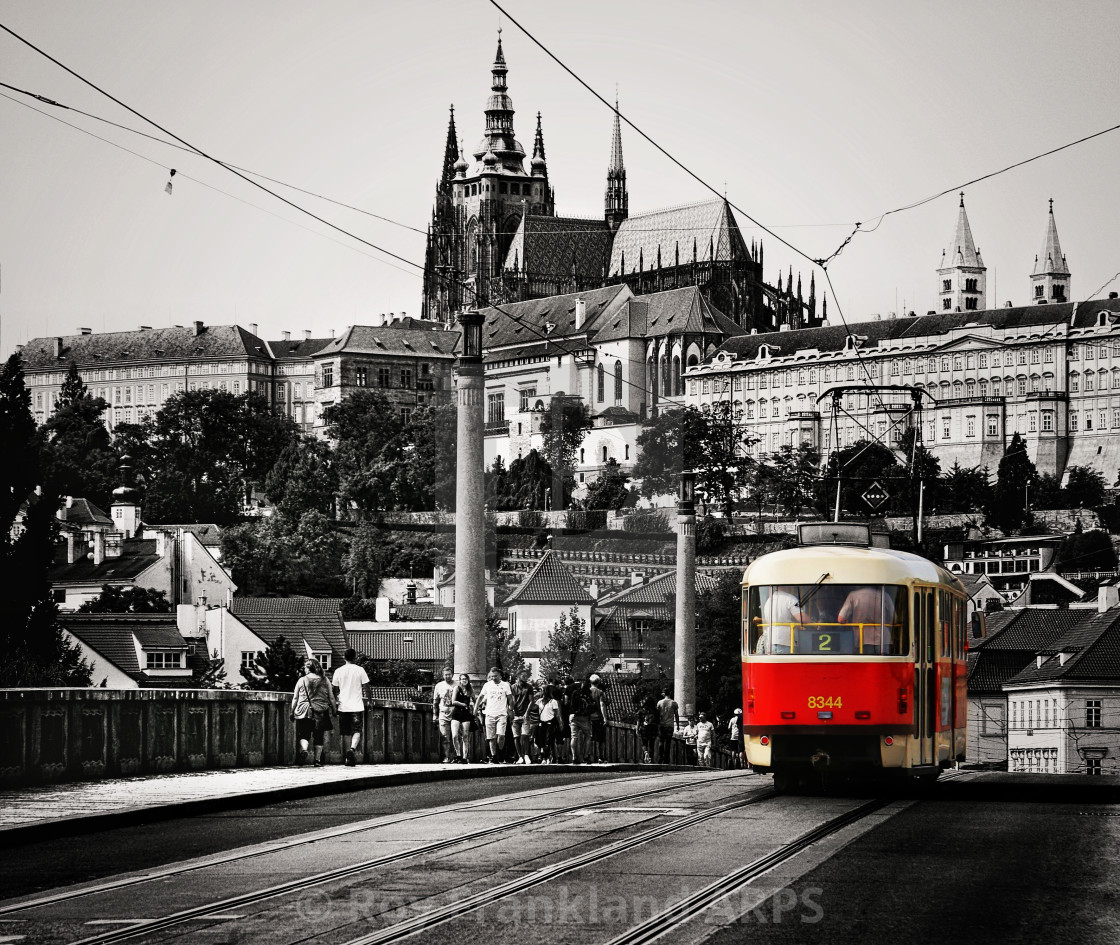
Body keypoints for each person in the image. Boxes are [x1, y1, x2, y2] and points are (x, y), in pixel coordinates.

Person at [292, 658, 337, 766]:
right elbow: (331, 697)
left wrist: (292, 711)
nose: (304, 670)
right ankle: (317, 760)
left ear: (309, 668)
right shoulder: (325, 680)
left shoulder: (302, 680)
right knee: (318, 737)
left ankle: (304, 750)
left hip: (304, 711)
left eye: (305, 668)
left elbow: (295, 698)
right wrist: (334, 710)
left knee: (304, 734)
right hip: (321, 711)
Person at [332, 648, 370, 766]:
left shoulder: (338, 671)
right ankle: (352, 750)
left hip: (343, 706)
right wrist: (369, 701)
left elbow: (334, 689)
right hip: (357, 706)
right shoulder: (360, 670)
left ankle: (347, 757)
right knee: (357, 730)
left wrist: (334, 702)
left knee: (345, 732)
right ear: (355, 657)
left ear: (344, 657)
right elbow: (366, 687)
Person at [838, 585, 896, 653]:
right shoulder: (884, 595)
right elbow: (894, 619)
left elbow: (840, 619)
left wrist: (847, 622)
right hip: (884, 638)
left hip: (863, 639)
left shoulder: (853, 595)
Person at [475, 666, 513, 764]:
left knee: (501, 735)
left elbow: (510, 699)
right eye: (492, 676)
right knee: (491, 737)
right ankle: (494, 756)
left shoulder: (505, 685)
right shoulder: (487, 685)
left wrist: (510, 709)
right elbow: (480, 696)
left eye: (495, 676)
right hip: (490, 714)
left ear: (500, 676)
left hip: (501, 714)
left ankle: (500, 751)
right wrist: (476, 707)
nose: (493, 678)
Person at [756, 587, 810, 654]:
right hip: (786, 643)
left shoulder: (769, 600)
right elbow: (803, 618)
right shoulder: (790, 599)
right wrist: (812, 621)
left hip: (770, 642)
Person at [432, 665, 458, 764]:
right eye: (445, 675)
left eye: (449, 675)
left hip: (455, 714)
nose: (447, 676)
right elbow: (435, 702)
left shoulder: (457, 685)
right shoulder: (439, 686)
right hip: (443, 714)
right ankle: (446, 757)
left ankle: (458, 756)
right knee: (445, 737)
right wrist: (435, 715)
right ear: (443, 675)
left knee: (456, 736)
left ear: (452, 675)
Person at [510, 669, 535, 765]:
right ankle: (520, 756)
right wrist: (511, 712)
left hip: (525, 715)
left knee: (525, 736)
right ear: (518, 677)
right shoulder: (513, 687)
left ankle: (526, 755)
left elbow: (531, 701)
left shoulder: (529, 687)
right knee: (516, 737)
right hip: (515, 715)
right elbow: (511, 701)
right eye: (523, 676)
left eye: (526, 676)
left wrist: (527, 713)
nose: (525, 677)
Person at [450, 673, 475, 763]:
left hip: (466, 714)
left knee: (465, 736)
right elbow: (453, 701)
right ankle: (458, 755)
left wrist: (475, 710)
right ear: (460, 680)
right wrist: (463, 704)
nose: (464, 680)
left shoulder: (470, 689)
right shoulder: (457, 688)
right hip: (457, 713)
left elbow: (475, 700)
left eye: (465, 679)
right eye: (462, 679)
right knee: (455, 735)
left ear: (468, 680)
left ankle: (464, 757)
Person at [568, 679, 593, 765]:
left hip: (574, 716)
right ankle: (586, 756)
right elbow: (592, 706)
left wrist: (571, 714)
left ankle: (574, 757)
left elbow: (571, 704)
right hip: (584, 717)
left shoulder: (575, 693)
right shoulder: (588, 694)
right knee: (588, 736)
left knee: (574, 737)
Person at [536, 684, 560, 764]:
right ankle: (544, 756)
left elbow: (557, 714)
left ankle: (546, 757)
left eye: (542, 690)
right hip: (541, 723)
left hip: (550, 723)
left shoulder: (553, 702)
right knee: (541, 741)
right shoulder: (539, 701)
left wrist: (560, 723)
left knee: (548, 740)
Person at [587, 674, 608, 763]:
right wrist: (605, 718)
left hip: (588, 718)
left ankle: (588, 755)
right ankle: (600, 757)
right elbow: (602, 705)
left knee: (589, 738)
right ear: (598, 682)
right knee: (600, 739)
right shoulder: (600, 692)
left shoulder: (586, 692)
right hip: (598, 718)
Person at [656, 689, 679, 764]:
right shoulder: (674, 703)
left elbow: (657, 714)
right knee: (668, 742)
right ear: (670, 693)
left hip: (662, 724)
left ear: (663, 694)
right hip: (670, 725)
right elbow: (676, 715)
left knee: (661, 741)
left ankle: (660, 757)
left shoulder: (660, 702)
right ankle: (666, 759)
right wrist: (678, 725)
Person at [637, 697, 659, 764]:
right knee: (652, 743)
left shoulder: (641, 711)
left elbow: (639, 720)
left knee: (644, 743)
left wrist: (637, 729)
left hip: (644, 729)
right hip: (653, 729)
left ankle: (645, 752)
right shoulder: (655, 711)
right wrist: (658, 730)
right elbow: (658, 721)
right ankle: (651, 758)